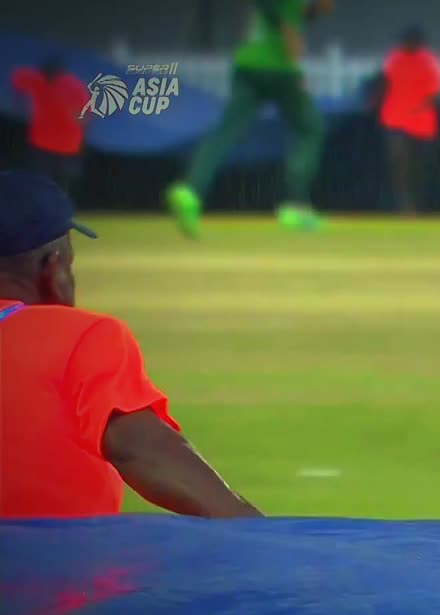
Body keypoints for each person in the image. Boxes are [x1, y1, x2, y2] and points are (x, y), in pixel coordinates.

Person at [0, 172, 262, 519]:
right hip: (52, 571)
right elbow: (143, 452)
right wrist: (266, 543)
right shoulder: (81, 337)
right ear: (54, 266)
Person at [166, 0, 335, 238]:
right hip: (277, 67)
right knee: (310, 128)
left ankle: (191, 190)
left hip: (248, 63)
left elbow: (297, 13)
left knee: (226, 132)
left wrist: (313, 12)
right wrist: (287, 30)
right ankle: (295, 205)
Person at [377, 25, 440, 215]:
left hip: (420, 122)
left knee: (418, 166)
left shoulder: (428, 62)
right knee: (399, 163)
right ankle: (404, 205)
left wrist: (418, 110)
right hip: (395, 120)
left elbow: (434, 94)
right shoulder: (394, 58)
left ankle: (418, 204)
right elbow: (385, 83)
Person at [9, 58, 90, 197]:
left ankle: (54, 213)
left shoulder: (73, 86)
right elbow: (17, 78)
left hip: (65, 147)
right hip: (44, 145)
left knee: (59, 186)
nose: (48, 78)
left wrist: (69, 114)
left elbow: (84, 117)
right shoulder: (36, 80)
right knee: (40, 184)